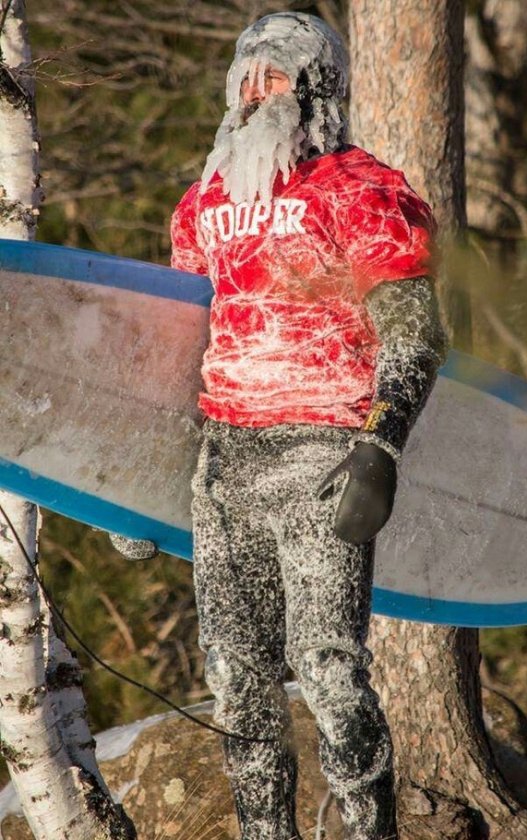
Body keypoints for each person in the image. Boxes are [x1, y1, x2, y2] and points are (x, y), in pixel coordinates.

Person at [114, 11, 447, 840]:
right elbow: (175, 341)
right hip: (223, 466)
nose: (256, 92)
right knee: (236, 679)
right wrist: (131, 483)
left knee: (331, 675)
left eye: (277, 75)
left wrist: (380, 448)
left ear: (318, 86)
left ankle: (371, 831)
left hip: (323, 455)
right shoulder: (203, 204)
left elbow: (415, 327)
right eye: (246, 76)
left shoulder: (359, 189)